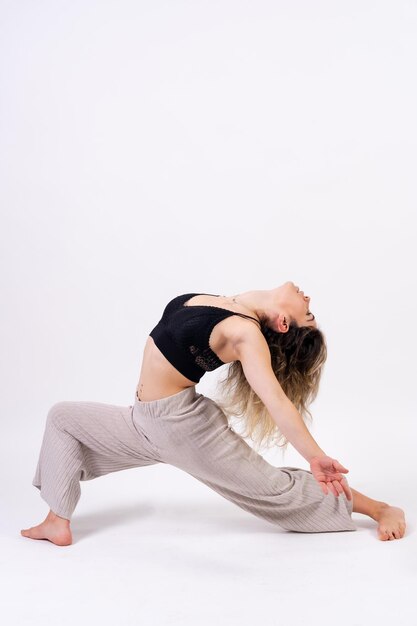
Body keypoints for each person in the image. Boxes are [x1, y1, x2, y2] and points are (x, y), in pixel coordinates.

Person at [21, 281, 406, 546]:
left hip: (182, 427)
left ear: (284, 323)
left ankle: (379, 508)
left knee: (275, 490)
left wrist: (315, 457)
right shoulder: (232, 303)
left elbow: (275, 399)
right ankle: (57, 520)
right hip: (145, 420)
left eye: (310, 314)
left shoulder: (246, 334)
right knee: (62, 419)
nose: (309, 301)